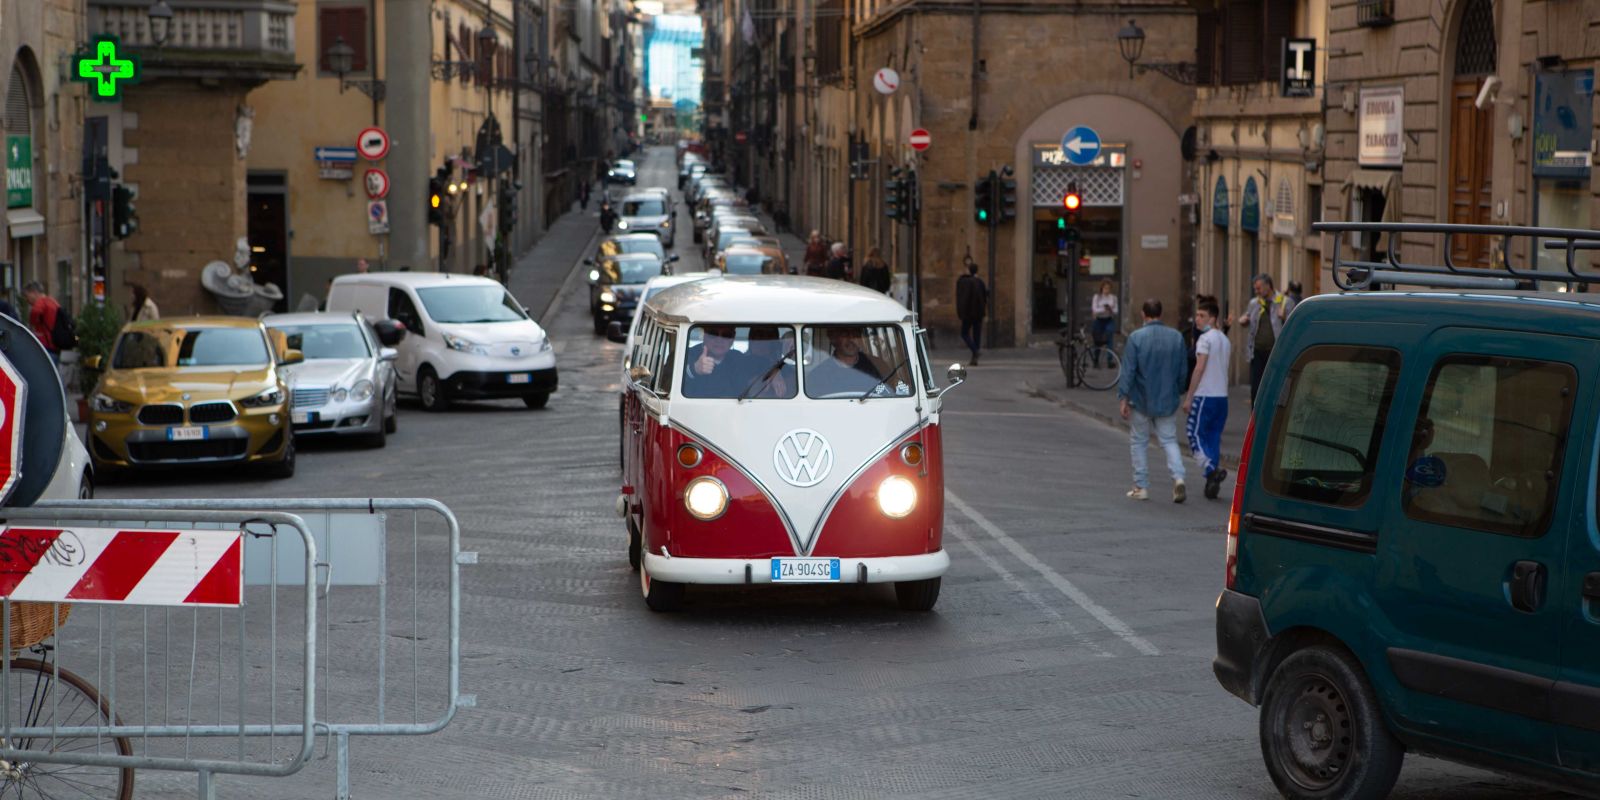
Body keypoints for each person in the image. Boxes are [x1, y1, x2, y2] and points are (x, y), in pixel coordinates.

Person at [1118, 298, 1188, 503]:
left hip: (1141, 397)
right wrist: (1179, 389)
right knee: (1169, 440)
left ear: (1143, 314)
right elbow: (1183, 370)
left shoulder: (1136, 338)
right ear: (1161, 313)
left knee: (1139, 441)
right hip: (1167, 396)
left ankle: (1141, 486)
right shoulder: (1176, 337)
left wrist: (1123, 397)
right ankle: (1179, 477)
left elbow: (1128, 370)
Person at [1182, 295, 1230, 500]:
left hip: (1205, 395)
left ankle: (1211, 469)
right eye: (1197, 315)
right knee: (1212, 438)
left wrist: (1189, 396)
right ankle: (1211, 481)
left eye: (1201, 316)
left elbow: (1199, 368)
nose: (1197, 320)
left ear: (1212, 318)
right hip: (1222, 396)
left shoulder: (1205, 339)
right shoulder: (1225, 340)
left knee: (1193, 433)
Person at [1237, 273, 1290, 406]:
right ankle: (1255, 419)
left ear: (1268, 286)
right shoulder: (1254, 303)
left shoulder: (1285, 302)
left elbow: (1294, 325)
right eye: (1255, 288)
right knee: (1256, 389)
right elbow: (1247, 318)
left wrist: (1284, 317)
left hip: (1275, 353)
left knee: (1274, 387)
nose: (1256, 291)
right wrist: (1243, 321)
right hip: (1257, 352)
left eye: (1259, 288)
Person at [805, 327, 884, 396]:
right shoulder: (818, 376)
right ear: (833, 339)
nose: (851, 339)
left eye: (855, 334)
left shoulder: (879, 365)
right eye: (844, 334)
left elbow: (890, 394)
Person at [682, 326, 752, 397]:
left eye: (726, 335)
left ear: (732, 338)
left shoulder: (739, 358)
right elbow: (672, 382)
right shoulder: (684, 354)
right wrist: (694, 369)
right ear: (704, 336)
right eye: (713, 334)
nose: (719, 340)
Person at [22, 282, 64, 364]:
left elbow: (34, 314)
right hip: (55, 345)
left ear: (34, 292)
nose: (27, 300)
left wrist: (32, 324)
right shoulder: (52, 301)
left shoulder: (40, 303)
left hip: (45, 346)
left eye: (27, 296)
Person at [955, 257, 987, 366]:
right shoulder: (980, 282)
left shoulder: (964, 281)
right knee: (976, 334)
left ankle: (975, 352)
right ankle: (975, 356)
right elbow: (986, 295)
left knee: (964, 333)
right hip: (978, 313)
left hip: (968, 313)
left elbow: (961, 297)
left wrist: (961, 312)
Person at [1090, 279, 1118, 366]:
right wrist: (1104, 308)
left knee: (1109, 338)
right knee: (1098, 340)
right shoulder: (1097, 297)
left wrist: (1109, 309)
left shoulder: (1113, 298)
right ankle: (1096, 359)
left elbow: (1116, 311)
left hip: (1108, 320)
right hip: (1098, 320)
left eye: (1108, 288)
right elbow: (1095, 310)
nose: (1107, 290)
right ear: (1101, 288)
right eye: (1105, 288)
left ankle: (1110, 360)